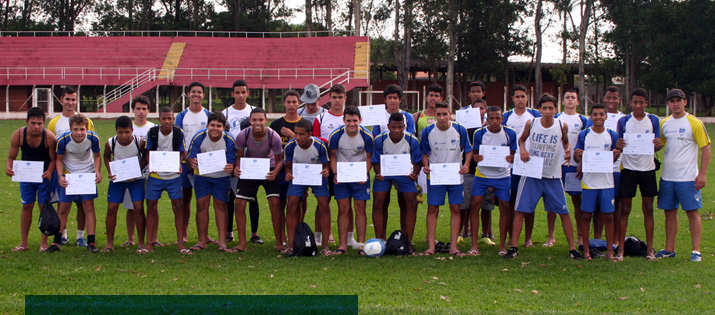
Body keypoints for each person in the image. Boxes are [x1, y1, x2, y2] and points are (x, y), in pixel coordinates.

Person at [505, 93, 581, 260]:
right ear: (539, 109)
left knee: (564, 211)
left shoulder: (562, 125)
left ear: (556, 109)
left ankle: (573, 250)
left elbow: (566, 141)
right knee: (520, 209)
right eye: (544, 108)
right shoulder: (531, 123)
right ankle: (514, 247)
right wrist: (523, 149)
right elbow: (522, 140)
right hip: (532, 174)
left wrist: (568, 150)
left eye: (550, 108)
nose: (547, 111)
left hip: (552, 175)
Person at [656, 89, 711, 262]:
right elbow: (661, 145)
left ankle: (696, 251)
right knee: (669, 213)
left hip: (688, 178)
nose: (676, 103)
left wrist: (702, 174)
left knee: (692, 213)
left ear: (685, 102)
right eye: (672, 101)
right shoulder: (664, 123)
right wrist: (654, 145)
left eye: (678, 100)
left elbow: (706, 148)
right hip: (668, 177)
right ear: (668, 104)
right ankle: (669, 249)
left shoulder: (694, 122)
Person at [420, 102, 472, 256]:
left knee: (455, 209)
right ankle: (431, 246)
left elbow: (468, 150)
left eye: (445, 114)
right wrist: (425, 165)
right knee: (432, 209)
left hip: (455, 176)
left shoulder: (459, 129)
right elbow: (424, 152)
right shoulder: (428, 131)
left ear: (450, 114)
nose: (442, 118)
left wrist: (467, 164)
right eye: (439, 114)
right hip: (436, 176)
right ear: (434, 115)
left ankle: (454, 247)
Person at [614, 88, 661, 260]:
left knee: (648, 208)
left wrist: (658, 144)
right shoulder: (624, 120)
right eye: (635, 102)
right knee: (624, 209)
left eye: (641, 102)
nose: (638, 105)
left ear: (646, 103)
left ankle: (649, 250)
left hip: (647, 169)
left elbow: (658, 145)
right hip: (628, 169)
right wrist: (618, 144)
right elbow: (619, 144)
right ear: (630, 103)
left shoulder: (653, 119)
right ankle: (620, 250)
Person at [47, 86, 95, 247]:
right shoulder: (54, 122)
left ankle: (81, 236)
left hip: (84, 173)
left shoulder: (86, 121)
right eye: (67, 99)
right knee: (63, 205)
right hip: (65, 171)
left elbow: (91, 145)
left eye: (73, 99)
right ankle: (63, 235)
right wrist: (57, 173)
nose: (70, 102)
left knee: (83, 205)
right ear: (62, 99)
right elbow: (53, 148)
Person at [233, 108, 284, 252]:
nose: (257, 122)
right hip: (250, 169)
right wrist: (237, 168)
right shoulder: (243, 135)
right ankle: (242, 243)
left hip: (269, 168)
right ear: (250, 121)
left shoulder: (274, 136)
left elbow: (280, 160)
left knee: (275, 203)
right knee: (239, 203)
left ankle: (279, 242)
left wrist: (275, 172)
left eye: (261, 119)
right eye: (254, 119)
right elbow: (239, 157)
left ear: (266, 120)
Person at [468, 106, 517, 256]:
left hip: (502, 175)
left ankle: (502, 246)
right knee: (475, 205)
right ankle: (474, 245)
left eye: (498, 118)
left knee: (504, 206)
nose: (495, 121)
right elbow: (475, 154)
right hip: (482, 174)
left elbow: (513, 154)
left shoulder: (510, 133)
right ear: (487, 119)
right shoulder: (479, 133)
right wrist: (476, 159)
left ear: (502, 119)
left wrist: (511, 158)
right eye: (491, 118)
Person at [5, 107, 56, 252]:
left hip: (43, 177)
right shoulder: (19, 135)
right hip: (26, 177)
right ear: (27, 122)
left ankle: (44, 243)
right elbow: (11, 157)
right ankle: (23, 243)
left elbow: (53, 160)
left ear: (44, 123)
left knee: (44, 208)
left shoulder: (49, 137)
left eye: (40, 123)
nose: (36, 127)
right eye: (33, 123)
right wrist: (9, 168)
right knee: (26, 206)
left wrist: (49, 171)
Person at [573, 104, 620, 260]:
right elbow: (576, 157)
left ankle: (609, 252)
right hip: (589, 182)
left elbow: (613, 159)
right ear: (591, 117)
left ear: (606, 116)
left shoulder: (612, 135)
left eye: (601, 114)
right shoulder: (584, 134)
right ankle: (586, 250)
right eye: (595, 114)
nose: (598, 117)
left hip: (607, 182)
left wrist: (616, 153)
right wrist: (577, 155)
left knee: (609, 216)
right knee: (586, 216)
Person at [371, 84, 417, 243]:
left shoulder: (408, 117)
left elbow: (410, 140)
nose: (392, 100)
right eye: (389, 97)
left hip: (404, 166)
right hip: (385, 166)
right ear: (385, 99)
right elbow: (375, 139)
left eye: (395, 98)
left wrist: (412, 169)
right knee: (380, 202)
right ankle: (380, 240)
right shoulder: (379, 116)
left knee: (406, 201)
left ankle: (406, 239)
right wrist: (379, 169)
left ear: (400, 100)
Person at [186, 111, 235, 253]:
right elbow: (190, 157)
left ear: (224, 127)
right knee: (202, 205)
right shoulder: (199, 137)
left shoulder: (229, 139)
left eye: (219, 126)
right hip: (202, 176)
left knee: (221, 206)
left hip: (221, 177)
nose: (215, 128)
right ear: (207, 125)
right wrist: (192, 162)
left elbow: (231, 161)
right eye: (212, 125)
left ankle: (222, 242)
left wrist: (230, 167)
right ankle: (202, 240)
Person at [328, 106, 374, 255]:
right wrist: (335, 174)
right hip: (342, 177)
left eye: (355, 120)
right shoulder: (336, 135)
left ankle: (361, 244)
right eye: (348, 121)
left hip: (360, 177)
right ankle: (342, 245)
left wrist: (365, 174)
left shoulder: (367, 135)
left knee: (360, 208)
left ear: (360, 120)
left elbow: (369, 157)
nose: (352, 124)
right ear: (344, 120)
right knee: (343, 209)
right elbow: (333, 156)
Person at [145, 106, 190, 254]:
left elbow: (182, 153)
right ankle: (149, 244)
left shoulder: (178, 132)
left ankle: (180, 244)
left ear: (173, 118)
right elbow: (148, 152)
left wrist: (179, 163)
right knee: (151, 207)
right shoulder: (152, 133)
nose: (166, 121)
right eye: (164, 118)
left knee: (178, 207)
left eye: (169, 118)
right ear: (159, 119)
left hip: (173, 176)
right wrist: (151, 163)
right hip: (156, 175)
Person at [222, 80, 262, 245]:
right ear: (232, 94)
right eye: (237, 92)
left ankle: (254, 232)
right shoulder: (226, 113)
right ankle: (229, 231)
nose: (240, 95)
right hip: (233, 160)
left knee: (252, 196)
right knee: (231, 197)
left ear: (248, 93)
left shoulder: (254, 111)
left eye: (243, 92)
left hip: (252, 160)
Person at [284, 119, 332, 255]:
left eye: (302, 134)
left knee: (324, 204)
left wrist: (326, 171)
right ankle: (291, 245)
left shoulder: (320, 145)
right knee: (292, 203)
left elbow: (326, 165)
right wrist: (288, 173)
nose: (298, 137)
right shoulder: (290, 146)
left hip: (317, 175)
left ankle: (325, 246)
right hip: (298, 176)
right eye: (296, 133)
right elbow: (288, 166)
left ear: (310, 134)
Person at [502, 84, 541, 248]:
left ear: (527, 97)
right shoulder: (506, 116)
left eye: (522, 96)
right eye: (517, 96)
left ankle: (528, 238)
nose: (520, 99)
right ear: (512, 98)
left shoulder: (535, 115)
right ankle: (512, 237)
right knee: (512, 201)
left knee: (529, 202)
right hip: (512, 164)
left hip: (530, 164)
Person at [102, 116, 146, 253]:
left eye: (127, 132)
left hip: (136, 180)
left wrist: (138, 169)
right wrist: (110, 171)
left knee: (138, 207)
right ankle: (109, 243)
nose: (124, 135)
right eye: (120, 132)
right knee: (112, 208)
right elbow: (106, 156)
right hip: (118, 179)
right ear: (116, 131)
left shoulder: (140, 142)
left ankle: (141, 242)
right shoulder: (111, 142)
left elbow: (146, 156)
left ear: (132, 130)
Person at [270, 90, 310, 238]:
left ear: (299, 103)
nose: (292, 105)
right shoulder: (276, 124)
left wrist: (292, 135)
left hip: (299, 168)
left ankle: (298, 233)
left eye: (294, 102)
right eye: (289, 102)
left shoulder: (304, 124)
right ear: (284, 104)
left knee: (299, 201)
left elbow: (310, 145)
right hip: (281, 168)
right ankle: (282, 237)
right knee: (280, 202)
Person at [313, 84, 349, 247]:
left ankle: (349, 238)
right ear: (329, 98)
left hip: (347, 168)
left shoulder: (351, 118)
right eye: (334, 97)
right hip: (325, 168)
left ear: (345, 98)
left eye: (340, 97)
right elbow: (315, 143)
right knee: (323, 202)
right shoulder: (320, 118)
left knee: (346, 204)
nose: (337, 100)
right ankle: (320, 235)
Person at [175, 82, 210, 245]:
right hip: (185, 162)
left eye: (199, 92)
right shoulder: (181, 116)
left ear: (203, 95)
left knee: (203, 200)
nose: (196, 95)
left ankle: (205, 234)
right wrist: (186, 159)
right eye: (193, 92)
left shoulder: (208, 115)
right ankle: (184, 233)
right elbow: (179, 140)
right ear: (188, 94)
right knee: (185, 199)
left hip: (204, 164)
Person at [552, 89, 588, 248]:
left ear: (578, 102)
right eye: (567, 98)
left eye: (573, 97)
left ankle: (580, 235)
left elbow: (586, 141)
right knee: (552, 201)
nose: (570, 100)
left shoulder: (583, 120)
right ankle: (551, 236)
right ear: (563, 101)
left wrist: (582, 162)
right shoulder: (556, 118)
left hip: (574, 166)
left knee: (577, 201)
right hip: (557, 165)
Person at [459, 97, 495, 246]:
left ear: (485, 110)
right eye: (476, 109)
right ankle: (461, 233)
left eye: (482, 108)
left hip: (486, 172)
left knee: (486, 205)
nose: (479, 111)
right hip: (468, 171)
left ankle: (485, 234)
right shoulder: (465, 129)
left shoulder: (491, 128)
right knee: (464, 204)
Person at [123, 96, 157, 248]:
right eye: (138, 108)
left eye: (144, 109)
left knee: (152, 206)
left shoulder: (153, 128)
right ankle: (131, 238)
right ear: (133, 110)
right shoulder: (127, 128)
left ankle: (153, 238)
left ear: (149, 110)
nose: (141, 112)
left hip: (150, 172)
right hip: (130, 174)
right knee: (131, 207)